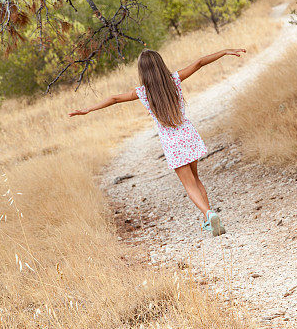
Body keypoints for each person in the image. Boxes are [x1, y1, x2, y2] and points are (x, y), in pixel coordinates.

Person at [69, 47, 246, 236]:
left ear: (142, 72)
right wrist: (225, 51)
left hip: (172, 144)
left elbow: (114, 98)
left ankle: (208, 214)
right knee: (196, 179)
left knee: (188, 184)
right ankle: (208, 220)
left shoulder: (143, 93)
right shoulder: (174, 80)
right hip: (188, 135)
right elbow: (199, 63)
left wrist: (87, 109)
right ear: (160, 65)